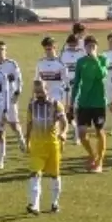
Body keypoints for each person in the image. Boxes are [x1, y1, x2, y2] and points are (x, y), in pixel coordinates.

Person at [24, 79, 68, 214]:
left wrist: (64, 133)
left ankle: (55, 203)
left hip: (52, 145)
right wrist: (27, 142)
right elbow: (29, 124)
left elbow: (64, 122)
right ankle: (34, 205)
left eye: (41, 91)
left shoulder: (55, 104)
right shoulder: (31, 105)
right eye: (36, 92)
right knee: (34, 174)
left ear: (47, 90)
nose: (39, 94)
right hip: (37, 145)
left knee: (54, 175)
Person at [71, 35, 110, 172]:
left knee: (99, 131)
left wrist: (95, 60)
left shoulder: (103, 59)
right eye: (89, 46)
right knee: (82, 133)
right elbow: (76, 83)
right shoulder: (81, 62)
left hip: (98, 102)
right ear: (85, 47)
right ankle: (92, 155)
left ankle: (100, 161)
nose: (91, 48)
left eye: (94, 46)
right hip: (84, 102)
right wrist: (72, 102)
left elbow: (101, 75)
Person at [0, 40, 25, 161]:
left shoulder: (12, 64)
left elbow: (19, 80)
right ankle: (1, 156)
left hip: (10, 99)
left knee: (13, 124)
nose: (0, 52)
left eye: (2, 49)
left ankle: (20, 138)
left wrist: (17, 93)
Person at [58, 33, 85, 145]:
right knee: (64, 110)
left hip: (78, 85)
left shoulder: (81, 54)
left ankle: (77, 136)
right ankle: (66, 131)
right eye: (71, 44)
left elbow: (84, 69)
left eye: (75, 44)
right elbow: (61, 69)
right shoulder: (63, 54)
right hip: (66, 86)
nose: (73, 47)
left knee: (76, 110)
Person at [34, 35, 70, 115]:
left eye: (50, 49)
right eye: (46, 49)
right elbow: (36, 82)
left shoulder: (61, 64)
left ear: (55, 48)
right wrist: (33, 97)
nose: (48, 52)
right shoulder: (40, 63)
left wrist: (67, 102)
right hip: (43, 98)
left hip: (57, 97)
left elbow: (67, 84)